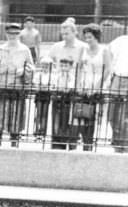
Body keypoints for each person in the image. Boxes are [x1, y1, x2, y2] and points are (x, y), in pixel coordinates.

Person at [0, 22, 34, 148]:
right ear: (6, 34)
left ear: (19, 34)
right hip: (2, 84)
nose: (12, 36)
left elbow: (31, 66)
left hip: (17, 85)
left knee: (15, 113)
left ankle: (14, 140)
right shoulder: (1, 49)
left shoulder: (24, 50)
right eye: (10, 34)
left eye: (15, 34)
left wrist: (24, 70)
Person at [47, 20, 87, 150]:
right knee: (57, 119)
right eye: (63, 34)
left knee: (73, 118)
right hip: (59, 87)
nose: (65, 36)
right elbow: (49, 62)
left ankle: (72, 143)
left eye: (67, 33)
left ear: (75, 33)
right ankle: (57, 143)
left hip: (75, 88)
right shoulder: (56, 47)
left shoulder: (82, 47)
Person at [73, 24, 110, 151]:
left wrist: (97, 86)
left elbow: (107, 69)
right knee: (80, 115)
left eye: (90, 37)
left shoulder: (104, 50)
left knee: (92, 116)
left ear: (96, 37)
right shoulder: (83, 50)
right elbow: (78, 67)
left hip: (97, 85)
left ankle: (88, 143)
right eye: (86, 37)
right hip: (84, 84)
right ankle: (81, 139)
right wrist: (78, 84)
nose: (88, 40)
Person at [105, 33, 128, 152]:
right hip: (117, 77)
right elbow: (107, 50)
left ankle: (123, 143)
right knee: (112, 114)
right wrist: (110, 68)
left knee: (125, 115)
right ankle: (118, 139)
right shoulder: (121, 39)